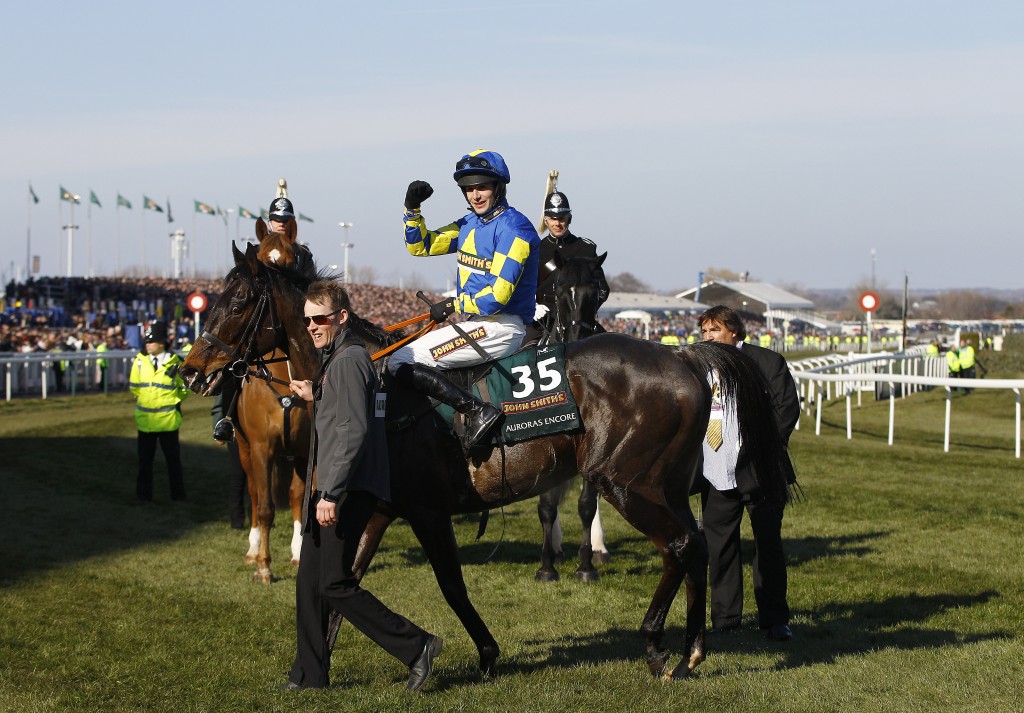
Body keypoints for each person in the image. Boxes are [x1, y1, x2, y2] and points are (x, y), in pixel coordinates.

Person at [282, 279, 442, 692]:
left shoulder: (350, 359)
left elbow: (352, 430)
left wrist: (330, 493)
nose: (313, 326)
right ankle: (309, 675)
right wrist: (314, 392)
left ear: (342, 317)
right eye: (308, 320)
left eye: (320, 319)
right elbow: (342, 408)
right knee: (309, 582)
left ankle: (417, 646)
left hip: (348, 486)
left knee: (333, 582)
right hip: (340, 483)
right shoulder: (337, 358)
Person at [392, 149, 541, 452]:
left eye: (482, 186)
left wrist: (453, 304)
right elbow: (421, 246)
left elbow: (497, 298)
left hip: (501, 327)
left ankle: (478, 412)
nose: (475, 194)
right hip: (478, 326)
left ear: (499, 187)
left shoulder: (516, 229)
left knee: (400, 359)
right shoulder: (468, 224)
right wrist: (412, 210)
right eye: (469, 188)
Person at [695, 305, 798, 642]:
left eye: (715, 331)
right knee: (719, 547)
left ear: (734, 331)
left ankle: (774, 619)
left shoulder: (768, 362)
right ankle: (725, 620)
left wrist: (761, 450)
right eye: (705, 332)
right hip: (714, 469)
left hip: (761, 470)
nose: (708, 338)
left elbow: (787, 409)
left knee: (767, 546)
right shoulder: (697, 365)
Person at [130, 321, 190, 501]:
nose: (147, 344)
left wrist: (170, 402)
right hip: (145, 422)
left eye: (151, 341)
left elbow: (184, 389)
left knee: (173, 463)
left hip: (168, 422)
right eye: (146, 341)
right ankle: (143, 496)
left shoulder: (175, 363)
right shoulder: (139, 361)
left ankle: (178, 496)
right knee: (144, 463)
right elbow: (135, 387)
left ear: (162, 342)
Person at [535, 189, 609, 331]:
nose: (557, 223)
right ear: (546, 220)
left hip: (581, 320)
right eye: (553, 218)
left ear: (569, 218)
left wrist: (586, 308)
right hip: (543, 319)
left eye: (562, 218)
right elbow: (525, 287)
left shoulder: (586, 248)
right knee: (523, 349)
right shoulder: (536, 250)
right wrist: (532, 306)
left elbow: (603, 289)